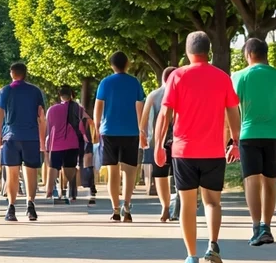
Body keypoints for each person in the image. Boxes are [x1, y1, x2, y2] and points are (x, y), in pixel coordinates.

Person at [154, 32, 240, 263]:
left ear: (187, 52)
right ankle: (212, 247)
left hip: (184, 151)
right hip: (213, 150)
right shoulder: (222, 78)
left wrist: (159, 144)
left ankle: (191, 258)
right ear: (209, 51)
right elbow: (233, 111)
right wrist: (235, 141)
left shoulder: (178, 76)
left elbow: (165, 113)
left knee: (188, 205)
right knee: (213, 202)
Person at [233, 38, 276, 246]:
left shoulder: (239, 76)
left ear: (249, 54)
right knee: (270, 181)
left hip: (248, 134)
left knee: (251, 180)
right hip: (274, 135)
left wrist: (231, 139)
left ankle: (255, 226)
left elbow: (231, 110)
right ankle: (266, 226)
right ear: (265, 54)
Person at [94, 51, 146, 223]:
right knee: (129, 171)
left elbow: (98, 107)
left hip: (109, 131)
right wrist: (142, 130)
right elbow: (140, 107)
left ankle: (115, 209)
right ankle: (127, 206)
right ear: (128, 64)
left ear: (111, 65)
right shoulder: (134, 83)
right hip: (131, 131)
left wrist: (96, 126)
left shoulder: (105, 83)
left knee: (112, 171)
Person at [0, 62, 47, 222]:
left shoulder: (4, 91)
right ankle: (31, 205)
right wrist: (42, 141)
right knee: (31, 173)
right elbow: (42, 118)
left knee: (12, 174)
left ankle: (11, 207)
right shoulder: (36, 92)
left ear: (12, 73)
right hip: (31, 137)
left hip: (11, 137)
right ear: (25, 73)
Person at [141, 67, 178, 222]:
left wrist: (143, 136)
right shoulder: (183, 93)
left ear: (163, 79)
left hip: (159, 142)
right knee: (179, 177)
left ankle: (165, 207)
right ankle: (177, 208)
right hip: (179, 142)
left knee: (161, 175)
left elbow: (143, 120)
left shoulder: (154, 95)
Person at [45, 86, 88, 205]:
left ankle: (50, 191)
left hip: (55, 143)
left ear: (59, 95)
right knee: (70, 167)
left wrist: (46, 144)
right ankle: (70, 192)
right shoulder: (78, 108)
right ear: (72, 94)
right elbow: (84, 125)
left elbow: (48, 128)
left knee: (54, 167)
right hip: (72, 143)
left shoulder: (52, 110)